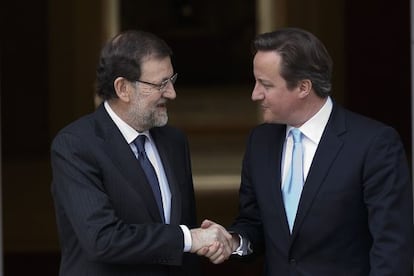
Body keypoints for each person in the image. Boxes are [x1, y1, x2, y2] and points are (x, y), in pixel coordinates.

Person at [201, 27, 414, 275]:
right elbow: (254, 223)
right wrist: (235, 241)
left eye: (265, 84)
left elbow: (392, 249)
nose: (254, 94)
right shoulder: (260, 142)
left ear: (303, 87)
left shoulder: (374, 144)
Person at [50, 30, 232, 276]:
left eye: (172, 80)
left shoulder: (174, 141)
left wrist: (200, 240)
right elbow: (102, 239)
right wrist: (189, 238)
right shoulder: (75, 146)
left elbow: (183, 235)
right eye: (160, 84)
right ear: (123, 88)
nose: (171, 93)